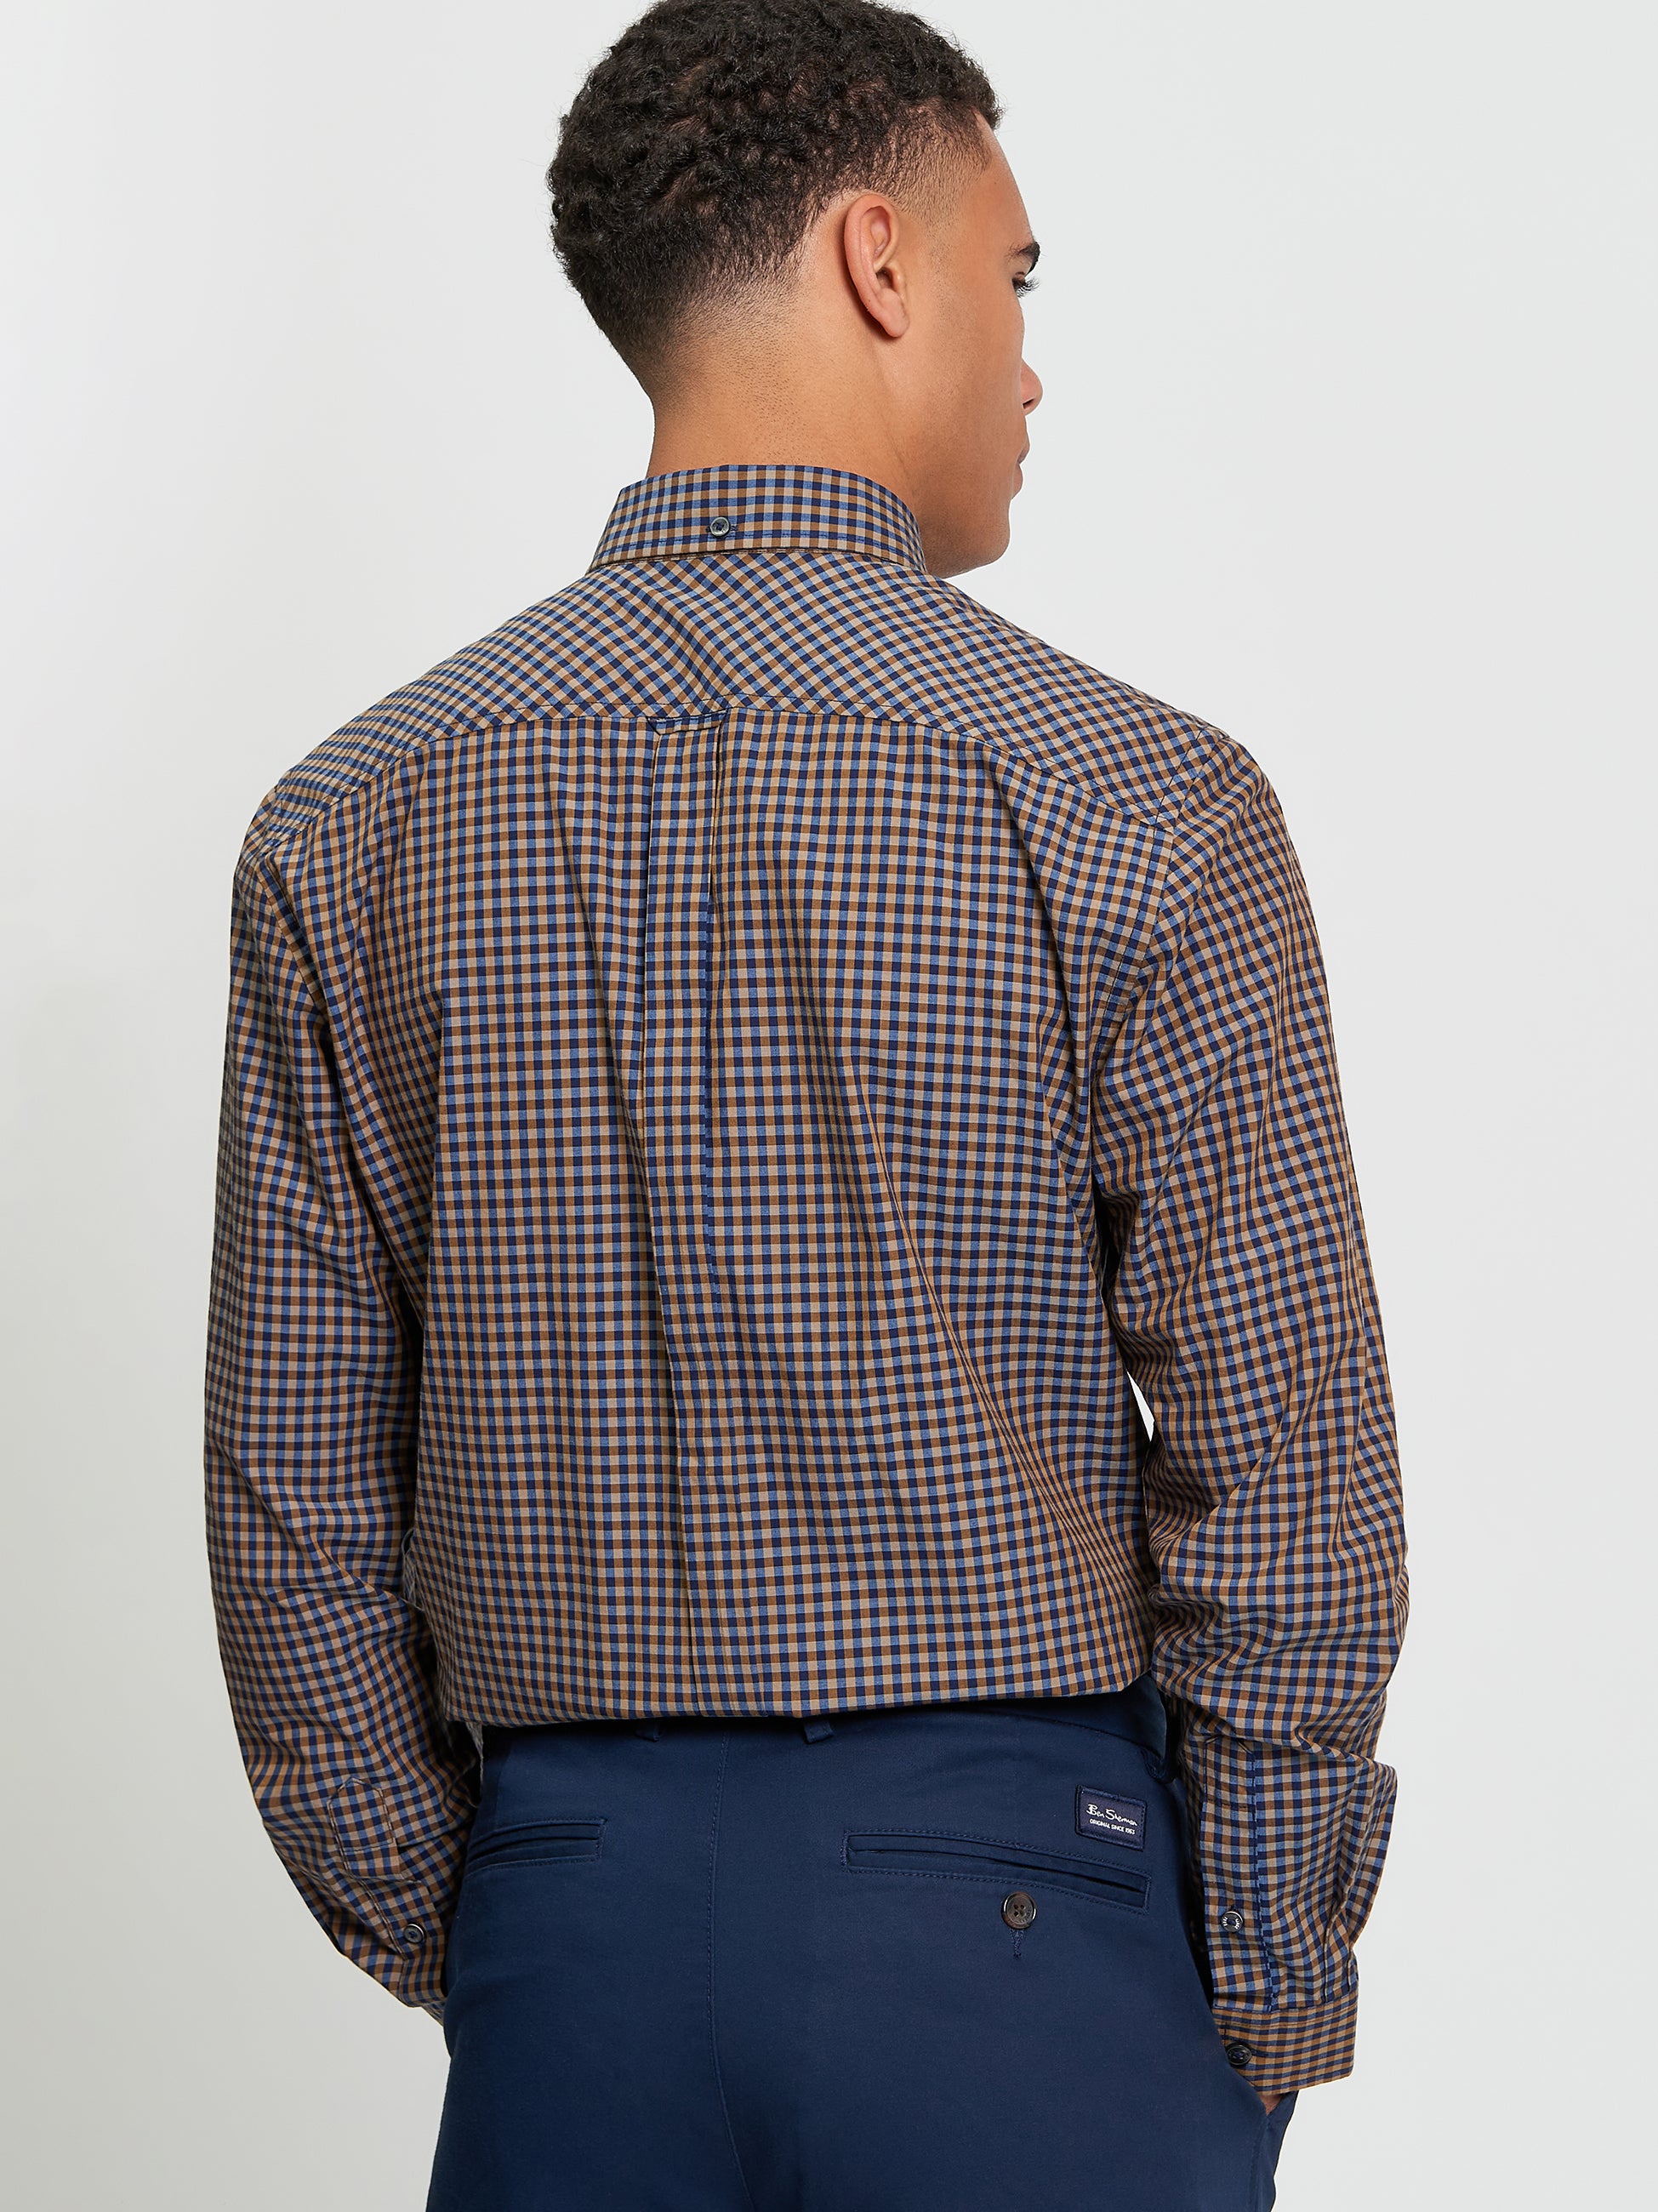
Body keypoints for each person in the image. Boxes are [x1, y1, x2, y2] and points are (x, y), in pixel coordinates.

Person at [203, 3, 1408, 2204]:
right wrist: (1255, 1985)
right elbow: (1288, 1475)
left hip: (574, 1921)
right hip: (1036, 1931)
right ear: (878, 258)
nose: (1032, 363)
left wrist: (499, 1924)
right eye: (1014, 277)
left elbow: (295, 1501)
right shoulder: (1141, 803)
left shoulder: (350, 824)